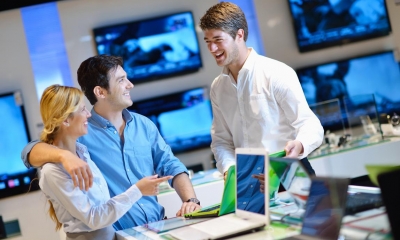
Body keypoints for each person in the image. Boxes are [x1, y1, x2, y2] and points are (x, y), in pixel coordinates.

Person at [21, 55, 201, 230]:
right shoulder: (80, 133)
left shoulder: (143, 125)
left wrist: (190, 200)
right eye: (121, 80)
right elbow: (29, 153)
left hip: (159, 226)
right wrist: (64, 155)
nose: (130, 85)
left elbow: (170, 164)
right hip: (120, 234)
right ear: (100, 92)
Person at [199, 2, 324, 182]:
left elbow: (310, 124)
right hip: (249, 183)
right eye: (208, 42)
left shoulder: (277, 73)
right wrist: (229, 170)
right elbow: (221, 141)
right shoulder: (218, 87)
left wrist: (300, 145)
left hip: (288, 172)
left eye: (218, 40)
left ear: (239, 35)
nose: (212, 49)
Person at [38, 85, 172, 239]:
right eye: (82, 110)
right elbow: (94, 218)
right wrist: (137, 190)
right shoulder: (52, 171)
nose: (88, 114)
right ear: (66, 120)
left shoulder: (82, 153)